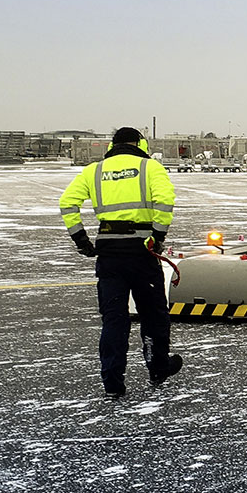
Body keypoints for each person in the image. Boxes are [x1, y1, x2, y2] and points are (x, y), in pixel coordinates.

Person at [59, 127, 183, 398]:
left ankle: (113, 381)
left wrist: (82, 240)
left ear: (111, 146)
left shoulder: (93, 170)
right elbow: (165, 201)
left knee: (114, 320)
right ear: (139, 143)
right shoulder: (150, 167)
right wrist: (158, 236)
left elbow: (67, 203)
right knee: (153, 316)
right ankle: (158, 368)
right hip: (142, 254)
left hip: (109, 254)